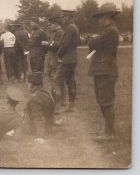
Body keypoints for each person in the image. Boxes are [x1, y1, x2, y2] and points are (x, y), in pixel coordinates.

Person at [88, 8, 121, 141]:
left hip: (106, 70)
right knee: (103, 100)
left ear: (108, 16)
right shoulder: (108, 31)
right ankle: (107, 130)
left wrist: (93, 39)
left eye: (101, 17)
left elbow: (92, 43)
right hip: (103, 69)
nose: (100, 20)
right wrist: (95, 39)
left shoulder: (110, 31)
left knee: (106, 101)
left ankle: (109, 133)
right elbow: (94, 44)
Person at [52, 10, 80, 112]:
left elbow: (65, 44)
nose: (62, 19)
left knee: (56, 81)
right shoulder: (75, 27)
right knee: (70, 80)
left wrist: (58, 54)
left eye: (63, 17)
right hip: (73, 58)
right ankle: (71, 106)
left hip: (67, 59)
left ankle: (57, 107)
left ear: (68, 17)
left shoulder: (70, 28)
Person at [43, 16, 66, 106]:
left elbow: (55, 45)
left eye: (51, 24)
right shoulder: (55, 33)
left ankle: (58, 102)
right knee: (56, 80)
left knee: (56, 80)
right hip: (52, 59)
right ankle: (62, 101)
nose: (49, 26)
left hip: (55, 60)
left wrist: (46, 44)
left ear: (56, 24)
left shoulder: (60, 33)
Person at [28, 18, 48, 86]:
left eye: (32, 23)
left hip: (38, 55)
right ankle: (35, 87)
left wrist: (42, 54)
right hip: (32, 55)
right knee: (34, 71)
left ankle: (39, 88)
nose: (31, 25)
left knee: (38, 72)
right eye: (31, 23)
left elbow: (45, 45)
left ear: (37, 23)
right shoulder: (32, 32)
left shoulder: (42, 32)